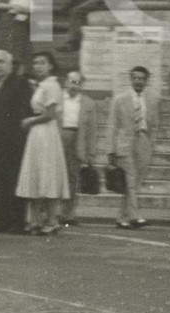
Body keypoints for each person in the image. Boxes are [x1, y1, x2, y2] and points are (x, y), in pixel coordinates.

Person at [15, 51, 71, 235]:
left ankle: (53, 220)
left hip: (46, 133)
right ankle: (36, 220)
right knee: (37, 174)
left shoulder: (52, 85)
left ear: (50, 66)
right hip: (37, 134)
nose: (38, 66)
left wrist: (30, 121)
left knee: (48, 175)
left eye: (42, 63)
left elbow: (51, 114)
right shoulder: (42, 85)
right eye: (35, 63)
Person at [0, 49, 32, 233]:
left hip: (14, 142)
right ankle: (2, 221)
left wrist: (19, 138)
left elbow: (23, 112)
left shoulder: (20, 83)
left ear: (10, 64)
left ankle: (17, 222)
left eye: (1, 61)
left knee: (14, 181)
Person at [107, 65, 158, 229]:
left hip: (143, 140)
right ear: (130, 79)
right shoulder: (120, 99)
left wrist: (151, 143)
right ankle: (135, 216)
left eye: (142, 78)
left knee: (135, 182)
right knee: (130, 179)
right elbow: (112, 126)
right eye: (135, 78)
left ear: (146, 80)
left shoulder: (152, 100)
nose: (138, 81)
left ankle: (121, 218)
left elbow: (154, 125)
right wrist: (111, 150)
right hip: (124, 143)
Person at [59, 71, 98, 227]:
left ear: (81, 85)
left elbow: (92, 130)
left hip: (77, 140)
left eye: (77, 83)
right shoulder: (57, 98)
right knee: (55, 176)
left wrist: (91, 152)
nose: (73, 86)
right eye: (71, 82)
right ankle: (51, 212)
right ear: (65, 82)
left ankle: (68, 214)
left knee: (72, 177)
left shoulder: (88, 103)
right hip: (58, 138)